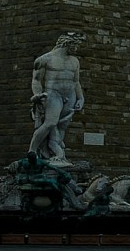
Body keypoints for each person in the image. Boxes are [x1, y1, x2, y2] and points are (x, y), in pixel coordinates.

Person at [27, 34, 86, 165]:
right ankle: (32, 150)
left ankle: (56, 154)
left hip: (70, 94)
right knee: (50, 123)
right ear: (68, 44)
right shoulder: (45, 59)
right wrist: (38, 95)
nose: (76, 49)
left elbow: (76, 81)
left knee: (62, 126)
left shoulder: (75, 61)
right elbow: (36, 80)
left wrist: (80, 98)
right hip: (53, 94)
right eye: (75, 46)